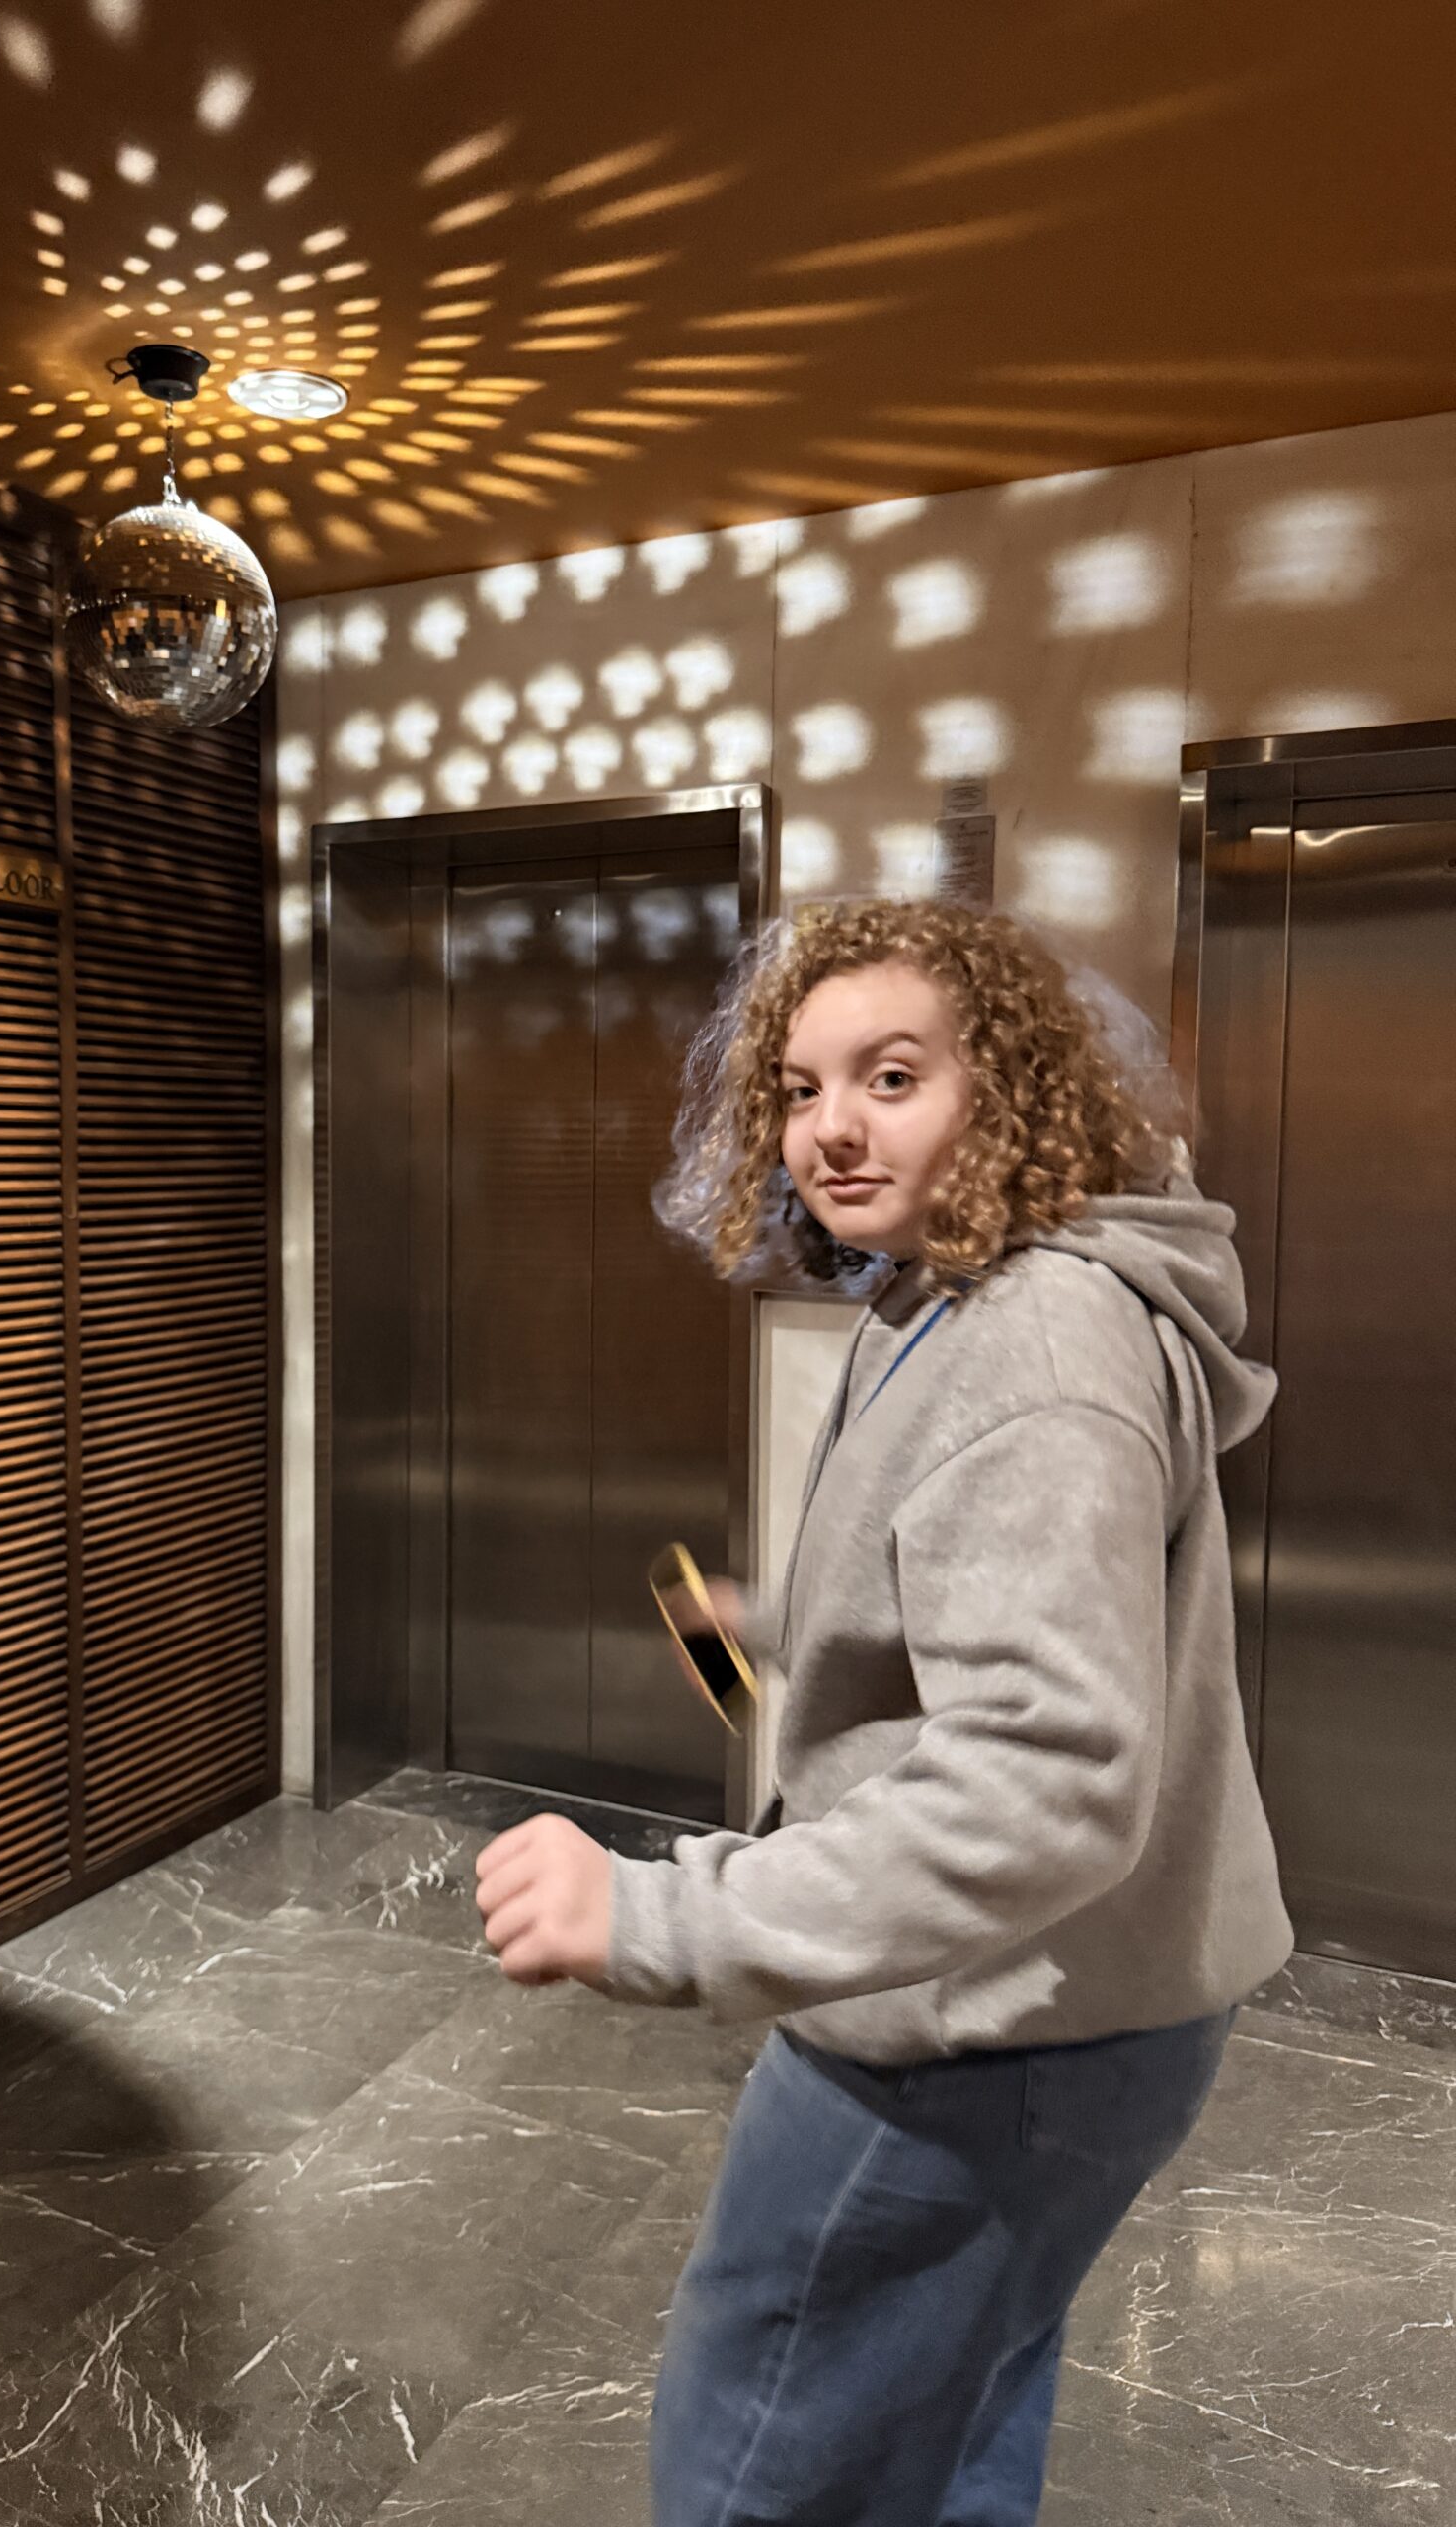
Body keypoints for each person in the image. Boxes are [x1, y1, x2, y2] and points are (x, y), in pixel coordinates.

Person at [472, 898, 1293, 2527]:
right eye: (800, 1088)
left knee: (762, 2469)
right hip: (1088, 2003)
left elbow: (1046, 1779)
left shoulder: (1034, 1342)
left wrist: (657, 1916)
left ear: (1010, 1088)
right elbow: (998, 1596)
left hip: (983, 2036)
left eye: (893, 1077)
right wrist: (780, 1622)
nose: (830, 1128)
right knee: (950, 2426)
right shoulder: (957, 1289)